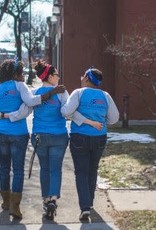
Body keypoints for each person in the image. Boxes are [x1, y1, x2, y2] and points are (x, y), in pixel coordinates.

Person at [0, 58, 65, 219]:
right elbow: (29, 103)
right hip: (19, 134)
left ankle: (6, 202)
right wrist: (51, 92)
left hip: (1, 133)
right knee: (18, 170)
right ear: (16, 73)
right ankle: (15, 206)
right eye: (21, 73)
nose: (22, 76)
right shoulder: (20, 86)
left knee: (3, 168)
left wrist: (4, 115)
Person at [61, 67, 119, 221]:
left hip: (79, 137)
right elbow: (114, 118)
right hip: (100, 137)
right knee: (92, 169)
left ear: (86, 77)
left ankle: (85, 207)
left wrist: (79, 116)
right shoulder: (105, 96)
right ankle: (90, 203)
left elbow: (66, 112)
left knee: (81, 171)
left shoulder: (78, 93)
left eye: (83, 75)